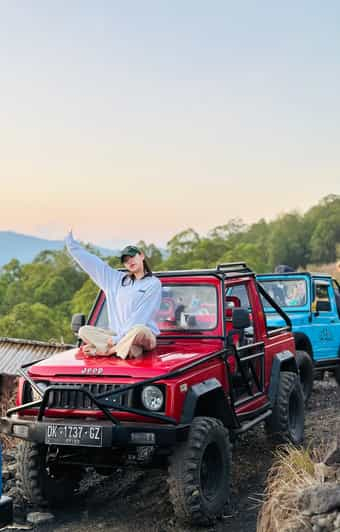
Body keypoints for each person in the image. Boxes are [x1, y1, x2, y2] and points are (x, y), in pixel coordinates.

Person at [65, 230, 162, 359]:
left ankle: (106, 351)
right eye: (126, 260)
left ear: (142, 256)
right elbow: (93, 264)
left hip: (142, 337)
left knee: (139, 329)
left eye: (132, 257)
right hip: (116, 336)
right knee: (84, 330)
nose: (130, 262)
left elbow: (141, 315)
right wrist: (71, 246)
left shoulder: (153, 283)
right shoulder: (116, 280)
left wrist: (118, 339)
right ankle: (126, 350)